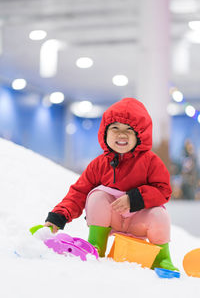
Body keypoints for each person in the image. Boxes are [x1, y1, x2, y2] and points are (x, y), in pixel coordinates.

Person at [44, 97, 178, 271]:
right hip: (110, 218)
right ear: (105, 132)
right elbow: (79, 192)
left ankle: (161, 257)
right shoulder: (99, 164)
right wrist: (58, 217)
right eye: (115, 128)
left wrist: (134, 199)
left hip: (139, 220)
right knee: (96, 197)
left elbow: (163, 190)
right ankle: (96, 244)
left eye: (129, 130)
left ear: (141, 135)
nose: (121, 134)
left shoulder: (151, 162)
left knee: (160, 215)